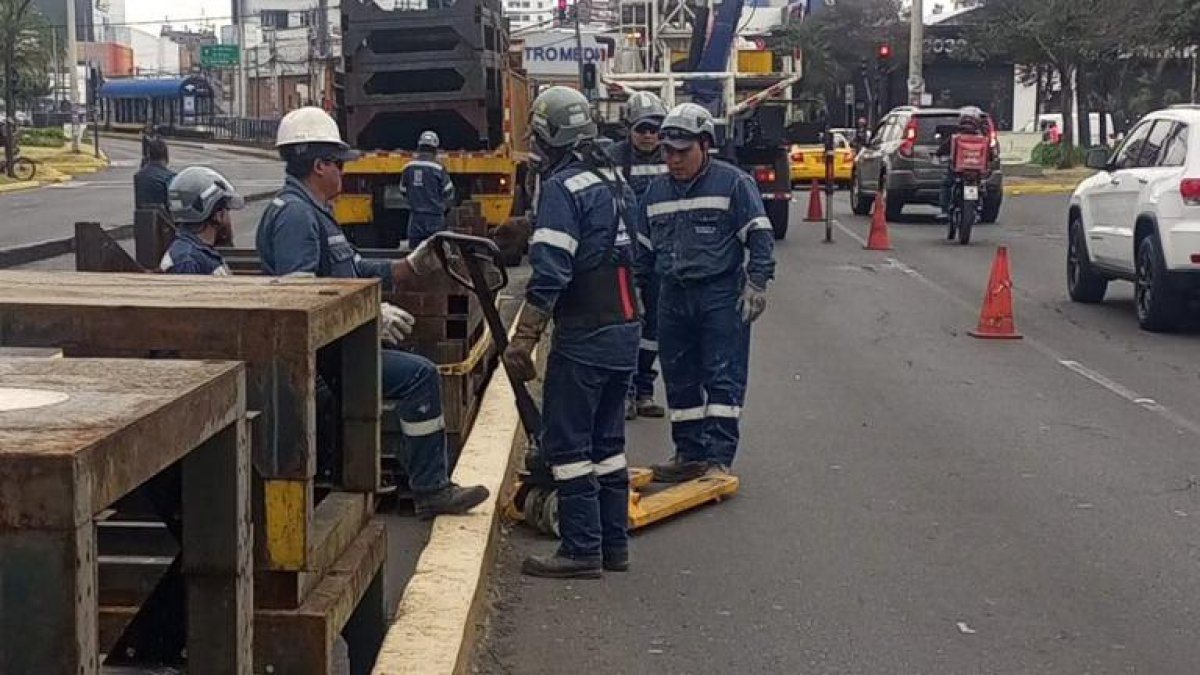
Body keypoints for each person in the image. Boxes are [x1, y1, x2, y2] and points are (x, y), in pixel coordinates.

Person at [256, 106, 489, 519]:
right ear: (319, 164)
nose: (342, 173)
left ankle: (419, 478)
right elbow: (299, 296)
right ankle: (431, 488)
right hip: (328, 358)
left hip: (340, 345)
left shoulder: (314, 211)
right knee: (421, 375)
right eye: (338, 164)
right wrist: (367, 313)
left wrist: (409, 267)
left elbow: (354, 267)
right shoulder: (295, 216)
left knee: (414, 367)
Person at [503, 86, 641, 579]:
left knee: (569, 445)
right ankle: (613, 545)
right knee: (608, 443)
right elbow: (633, 251)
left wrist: (525, 338)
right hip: (624, 328)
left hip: (585, 332)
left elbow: (553, 270)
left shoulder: (562, 188)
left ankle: (581, 548)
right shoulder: (614, 180)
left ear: (549, 136)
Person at [637, 103, 776, 483]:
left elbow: (760, 236)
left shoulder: (733, 183)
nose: (674, 159)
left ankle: (718, 457)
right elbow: (642, 251)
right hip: (672, 296)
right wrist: (634, 294)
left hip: (719, 295)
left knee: (722, 377)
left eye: (683, 151)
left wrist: (758, 283)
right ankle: (689, 453)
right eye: (668, 151)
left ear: (705, 145)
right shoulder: (655, 192)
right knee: (679, 377)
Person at [609, 90, 669, 421]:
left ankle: (645, 390)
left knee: (654, 328)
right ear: (628, 128)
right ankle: (626, 392)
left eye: (655, 129)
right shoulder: (612, 158)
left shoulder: (671, 157)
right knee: (627, 323)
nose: (649, 135)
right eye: (642, 128)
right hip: (624, 258)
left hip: (660, 257)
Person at [160, 167, 244, 275]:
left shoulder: (196, 254)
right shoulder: (188, 261)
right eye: (227, 210)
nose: (229, 218)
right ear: (217, 215)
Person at [400, 130, 455, 249]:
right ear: (435, 149)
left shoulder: (408, 167)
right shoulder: (439, 168)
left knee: (414, 255)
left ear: (419, 147)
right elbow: (449, 193)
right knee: (435, 253)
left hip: (415, 218)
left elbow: (403, 190)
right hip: (434, 218)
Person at [936, 106, 986, 221]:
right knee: (981, 187)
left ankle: (944, 210)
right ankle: (978, 206)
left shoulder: (955, 137)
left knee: (946, 184)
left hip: (958, 171)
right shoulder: (982, 138)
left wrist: (938, 154)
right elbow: (990, 154)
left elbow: (942, 149)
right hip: (976, 173)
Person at [134, 138, 175, 213]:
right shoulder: (170, 177)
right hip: (165, 221)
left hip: (142, 219)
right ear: (166, 157)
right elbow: (175, 205)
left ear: (149, 156)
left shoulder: (139, 176)